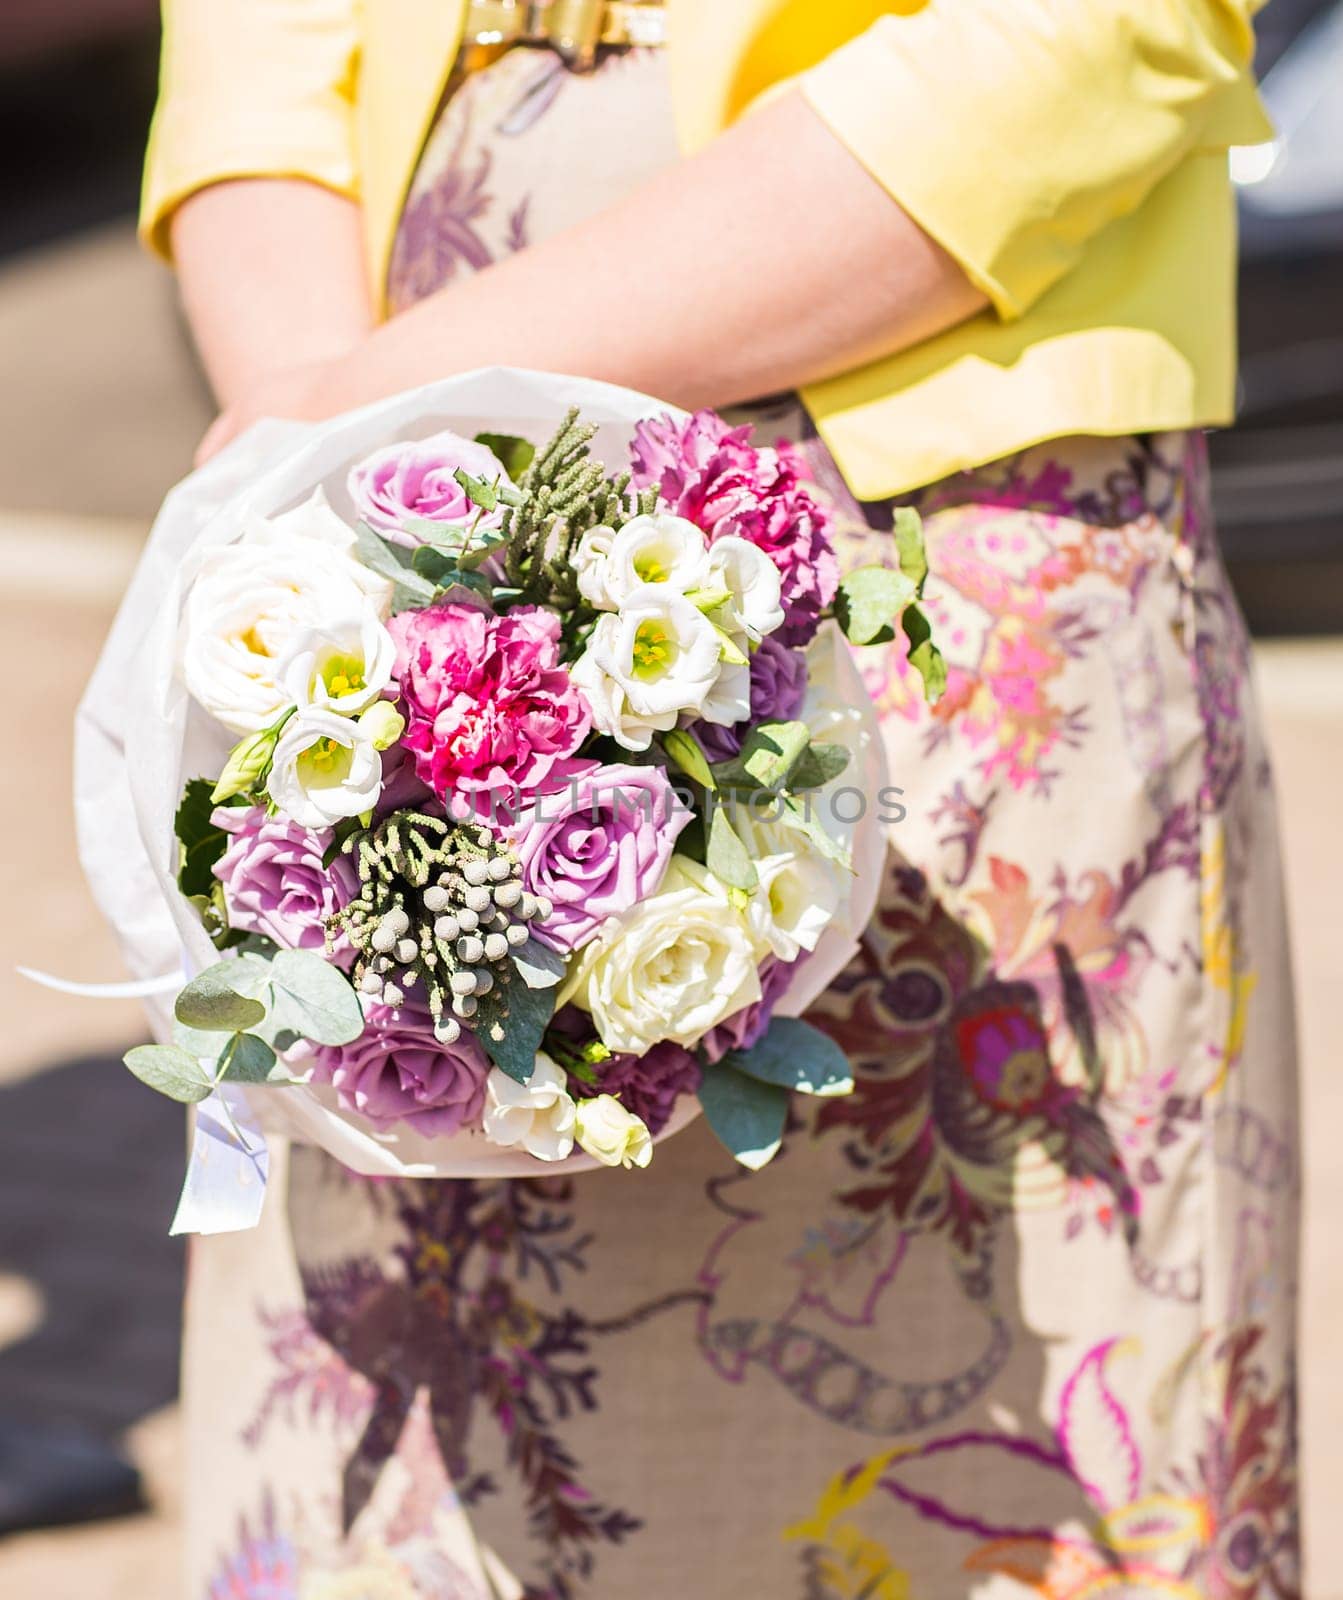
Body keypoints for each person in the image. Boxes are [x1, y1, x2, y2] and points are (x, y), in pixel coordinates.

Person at [140, 2, 1300, 1595]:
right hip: (397, 554)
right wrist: (321, 474)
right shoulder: (351, 456)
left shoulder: (379, 406)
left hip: (925, 566)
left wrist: (373, 405)